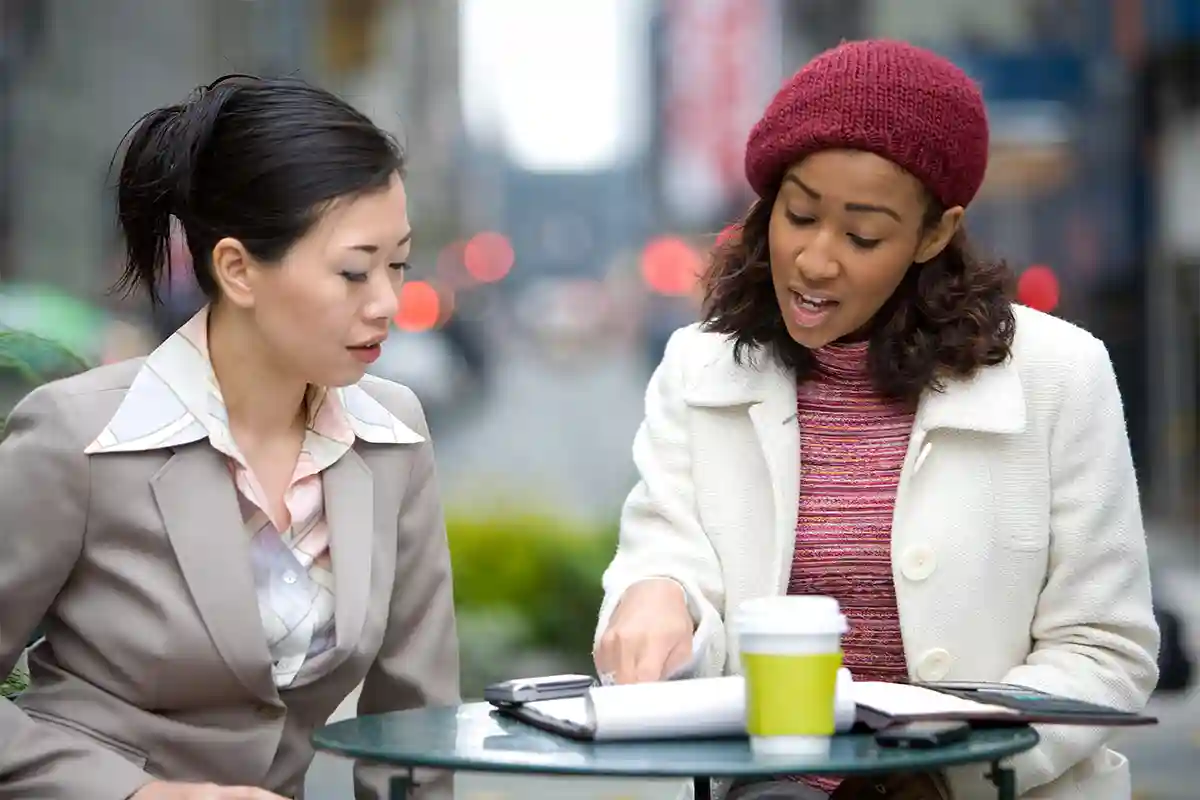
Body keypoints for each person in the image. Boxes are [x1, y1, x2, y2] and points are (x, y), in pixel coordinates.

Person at [593, 40, 1159, 800]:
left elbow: (1104, 647)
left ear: (933, 234)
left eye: (862, 237)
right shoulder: (698, 368)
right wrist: (657, 597)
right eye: (798, 216)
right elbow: (663, 554)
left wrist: (945, 769)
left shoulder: (1061, 375)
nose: (815, 261)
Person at [0, 75, 458, 799]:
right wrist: (139, 794)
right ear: (238, 269)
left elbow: (415, 724)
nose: (388, 303)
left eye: (397, 265)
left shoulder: (393, 433)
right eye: (353, 271)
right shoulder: (79, 435)